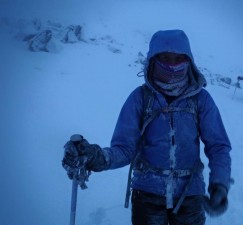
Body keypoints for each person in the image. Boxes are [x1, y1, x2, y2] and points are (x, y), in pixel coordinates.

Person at [62, 29, 232, 225]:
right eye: (165, 58)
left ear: (189, 61)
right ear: (153, 60)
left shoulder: (201, 100)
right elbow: (125, 149)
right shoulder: (140, 99)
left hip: (190, 195)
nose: (172, 65)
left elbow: (218, 145)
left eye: (178, 58)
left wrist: (220, 184)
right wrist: (97, 157)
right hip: (148, 194)